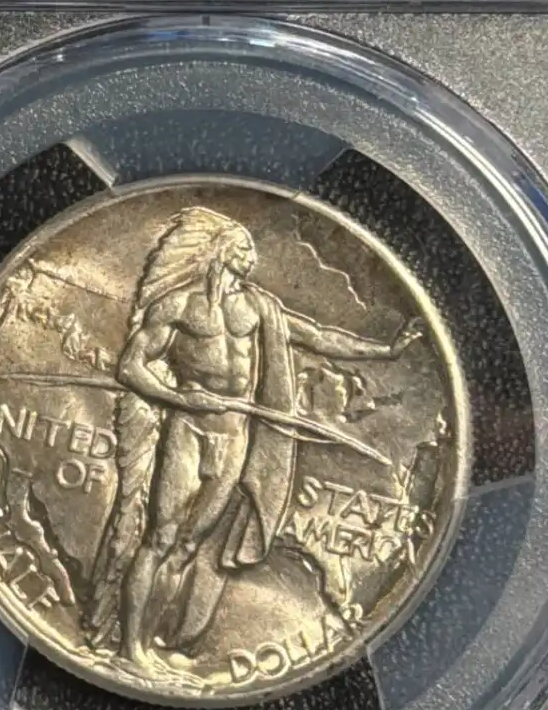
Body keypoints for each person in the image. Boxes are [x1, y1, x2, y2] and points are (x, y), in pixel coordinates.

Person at [82, 206, 422, 682]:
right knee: (160, 538)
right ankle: (129, 650)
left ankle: (150, 650)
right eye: (244, 248)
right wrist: (179, 396)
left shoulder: (261, 308)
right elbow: (130, 367)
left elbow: (318, 337)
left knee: (188, 545)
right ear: (221, 251)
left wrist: (385, 351)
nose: (252, 257)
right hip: (188, 429)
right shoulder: (178, 306)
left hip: (236, 433)